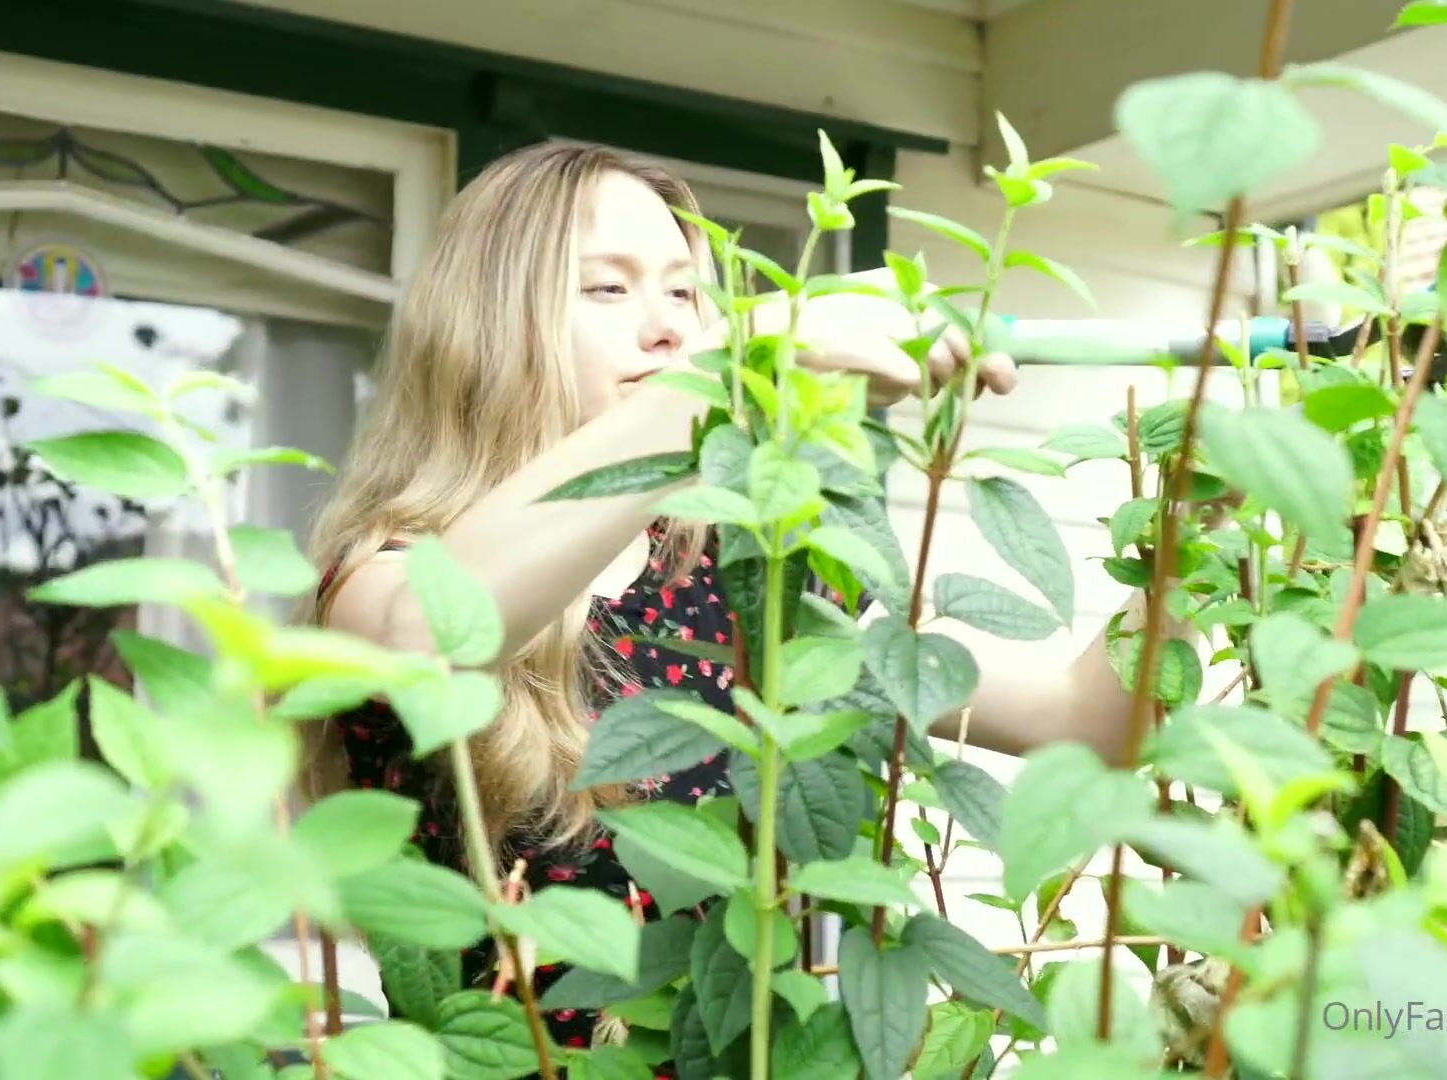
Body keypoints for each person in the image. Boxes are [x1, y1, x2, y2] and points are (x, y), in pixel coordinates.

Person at [299, 139, 1172, 1055]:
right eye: (609, 287)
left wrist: (1190, 514)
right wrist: (730, 365)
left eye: (685, 293)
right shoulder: (384, 578)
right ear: (491, 325)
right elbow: (434, 629)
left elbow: (1087, 723)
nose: (669, 328)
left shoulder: (742, 575)